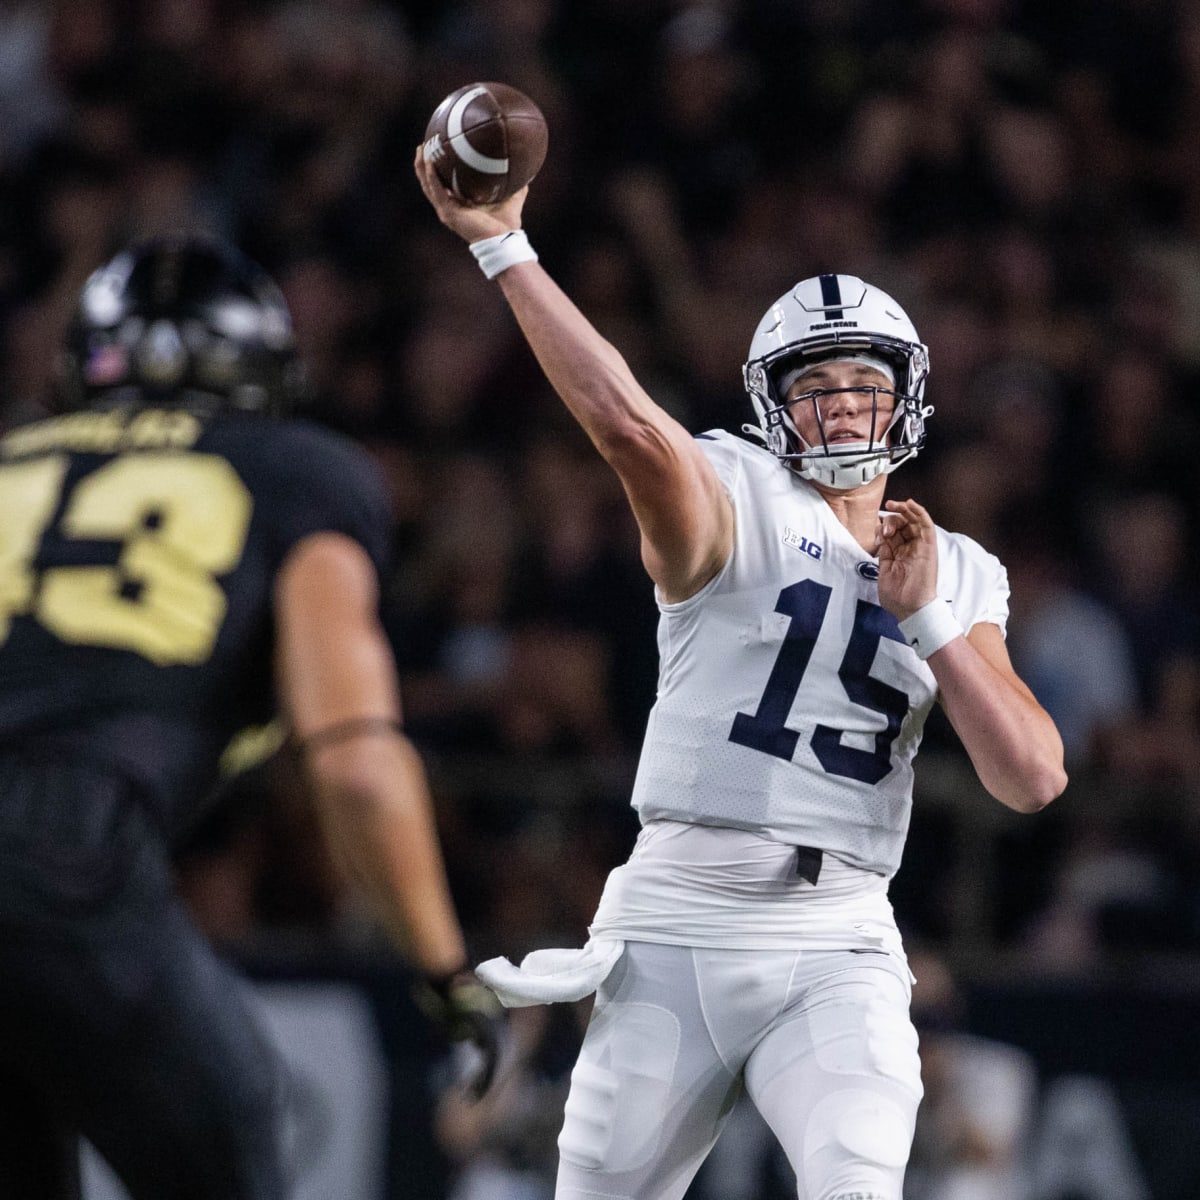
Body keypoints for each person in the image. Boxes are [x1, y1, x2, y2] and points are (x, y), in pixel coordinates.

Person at [416, 147, 1067, 1200]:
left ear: (910, 399)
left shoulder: (957, 568)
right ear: (774, 406)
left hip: (841, 932)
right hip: (678, 916)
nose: (846, 407)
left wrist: (931, 619)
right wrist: (504, 247)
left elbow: (1032, 777)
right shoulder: (735, 492)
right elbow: (628, 426)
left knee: (860, 1182)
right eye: (816, 386)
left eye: (867, 382)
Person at [0, 235, 500, 1200]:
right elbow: (353, 756)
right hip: (61, 850)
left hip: (55, 857)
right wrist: (447, 971)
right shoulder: (298, 472)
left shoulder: (14, 460)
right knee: (234, 1133)